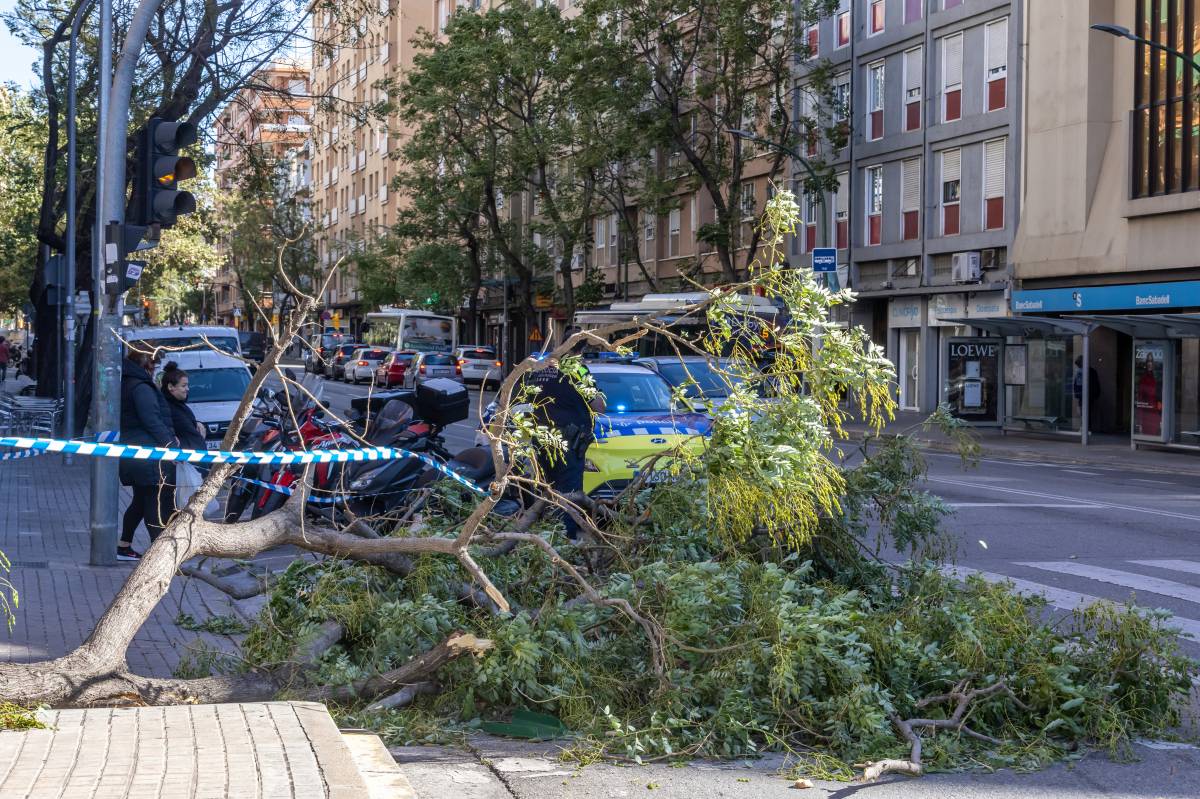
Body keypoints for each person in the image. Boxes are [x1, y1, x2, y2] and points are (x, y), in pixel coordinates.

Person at [521, 352, 606, 539]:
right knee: (569, 491)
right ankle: (565, 541)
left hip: (541, 437)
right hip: (569, 440)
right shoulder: (578, 369)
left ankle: (546, 535)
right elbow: (598, 406)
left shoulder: (539, 368)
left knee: (546, 488)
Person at [118, 347, 177, 561]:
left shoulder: (128, 381)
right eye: (154, 364)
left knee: (141, 501)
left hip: (135, 453)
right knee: (154, 502)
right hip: (147, 454)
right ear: (146, 363)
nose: (155, 368)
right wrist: (170, 444)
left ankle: (123, 546)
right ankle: (159, 556)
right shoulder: (140, 387)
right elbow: (151, 419)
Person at [1072, 355, 1101, 433]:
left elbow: (1077, 384)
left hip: (1085, 395)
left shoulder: (1081, 372)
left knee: (1084, 412)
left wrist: (1077, 393)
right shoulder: (1091, 371)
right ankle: (1086, 428)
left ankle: (1086, 428)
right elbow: (1096, 385)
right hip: (1089, 395)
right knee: (1087, 412)